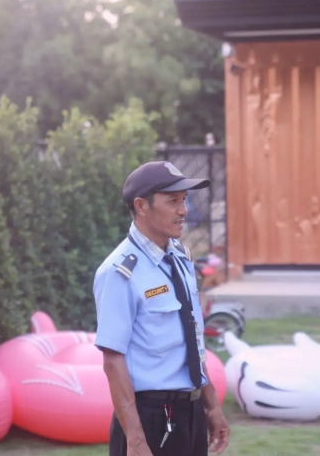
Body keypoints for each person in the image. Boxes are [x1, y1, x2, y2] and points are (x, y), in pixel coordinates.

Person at [93, 161, 230, 456]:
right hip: (149, 419)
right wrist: (135, 439)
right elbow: (113, 361)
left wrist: (211, 406)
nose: (184, 211)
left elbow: (192, 341)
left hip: (191, 413)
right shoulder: (119, 272)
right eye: (172, 201)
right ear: (141, 206)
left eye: (184, 200)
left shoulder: (180, 260)